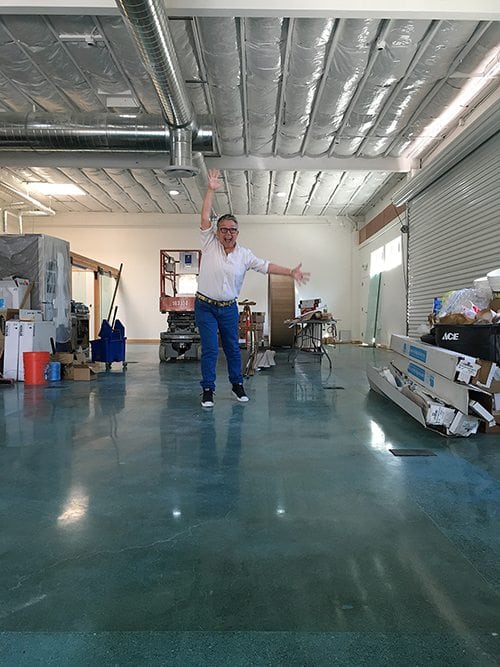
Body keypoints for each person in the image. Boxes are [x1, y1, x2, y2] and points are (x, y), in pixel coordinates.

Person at [195, 168, 310, 408]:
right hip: (205, 306)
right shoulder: (209, 243)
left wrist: (290, 271)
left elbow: (266, 266)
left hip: (228, 308)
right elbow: (205, 217)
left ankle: (237, 385)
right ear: (217, 231)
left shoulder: (244, 255)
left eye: (232, 230)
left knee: (234, 349)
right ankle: (208, 390)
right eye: (224, 229)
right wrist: (210, 191)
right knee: (210, 350)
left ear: (238, 233)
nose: (228, 233)